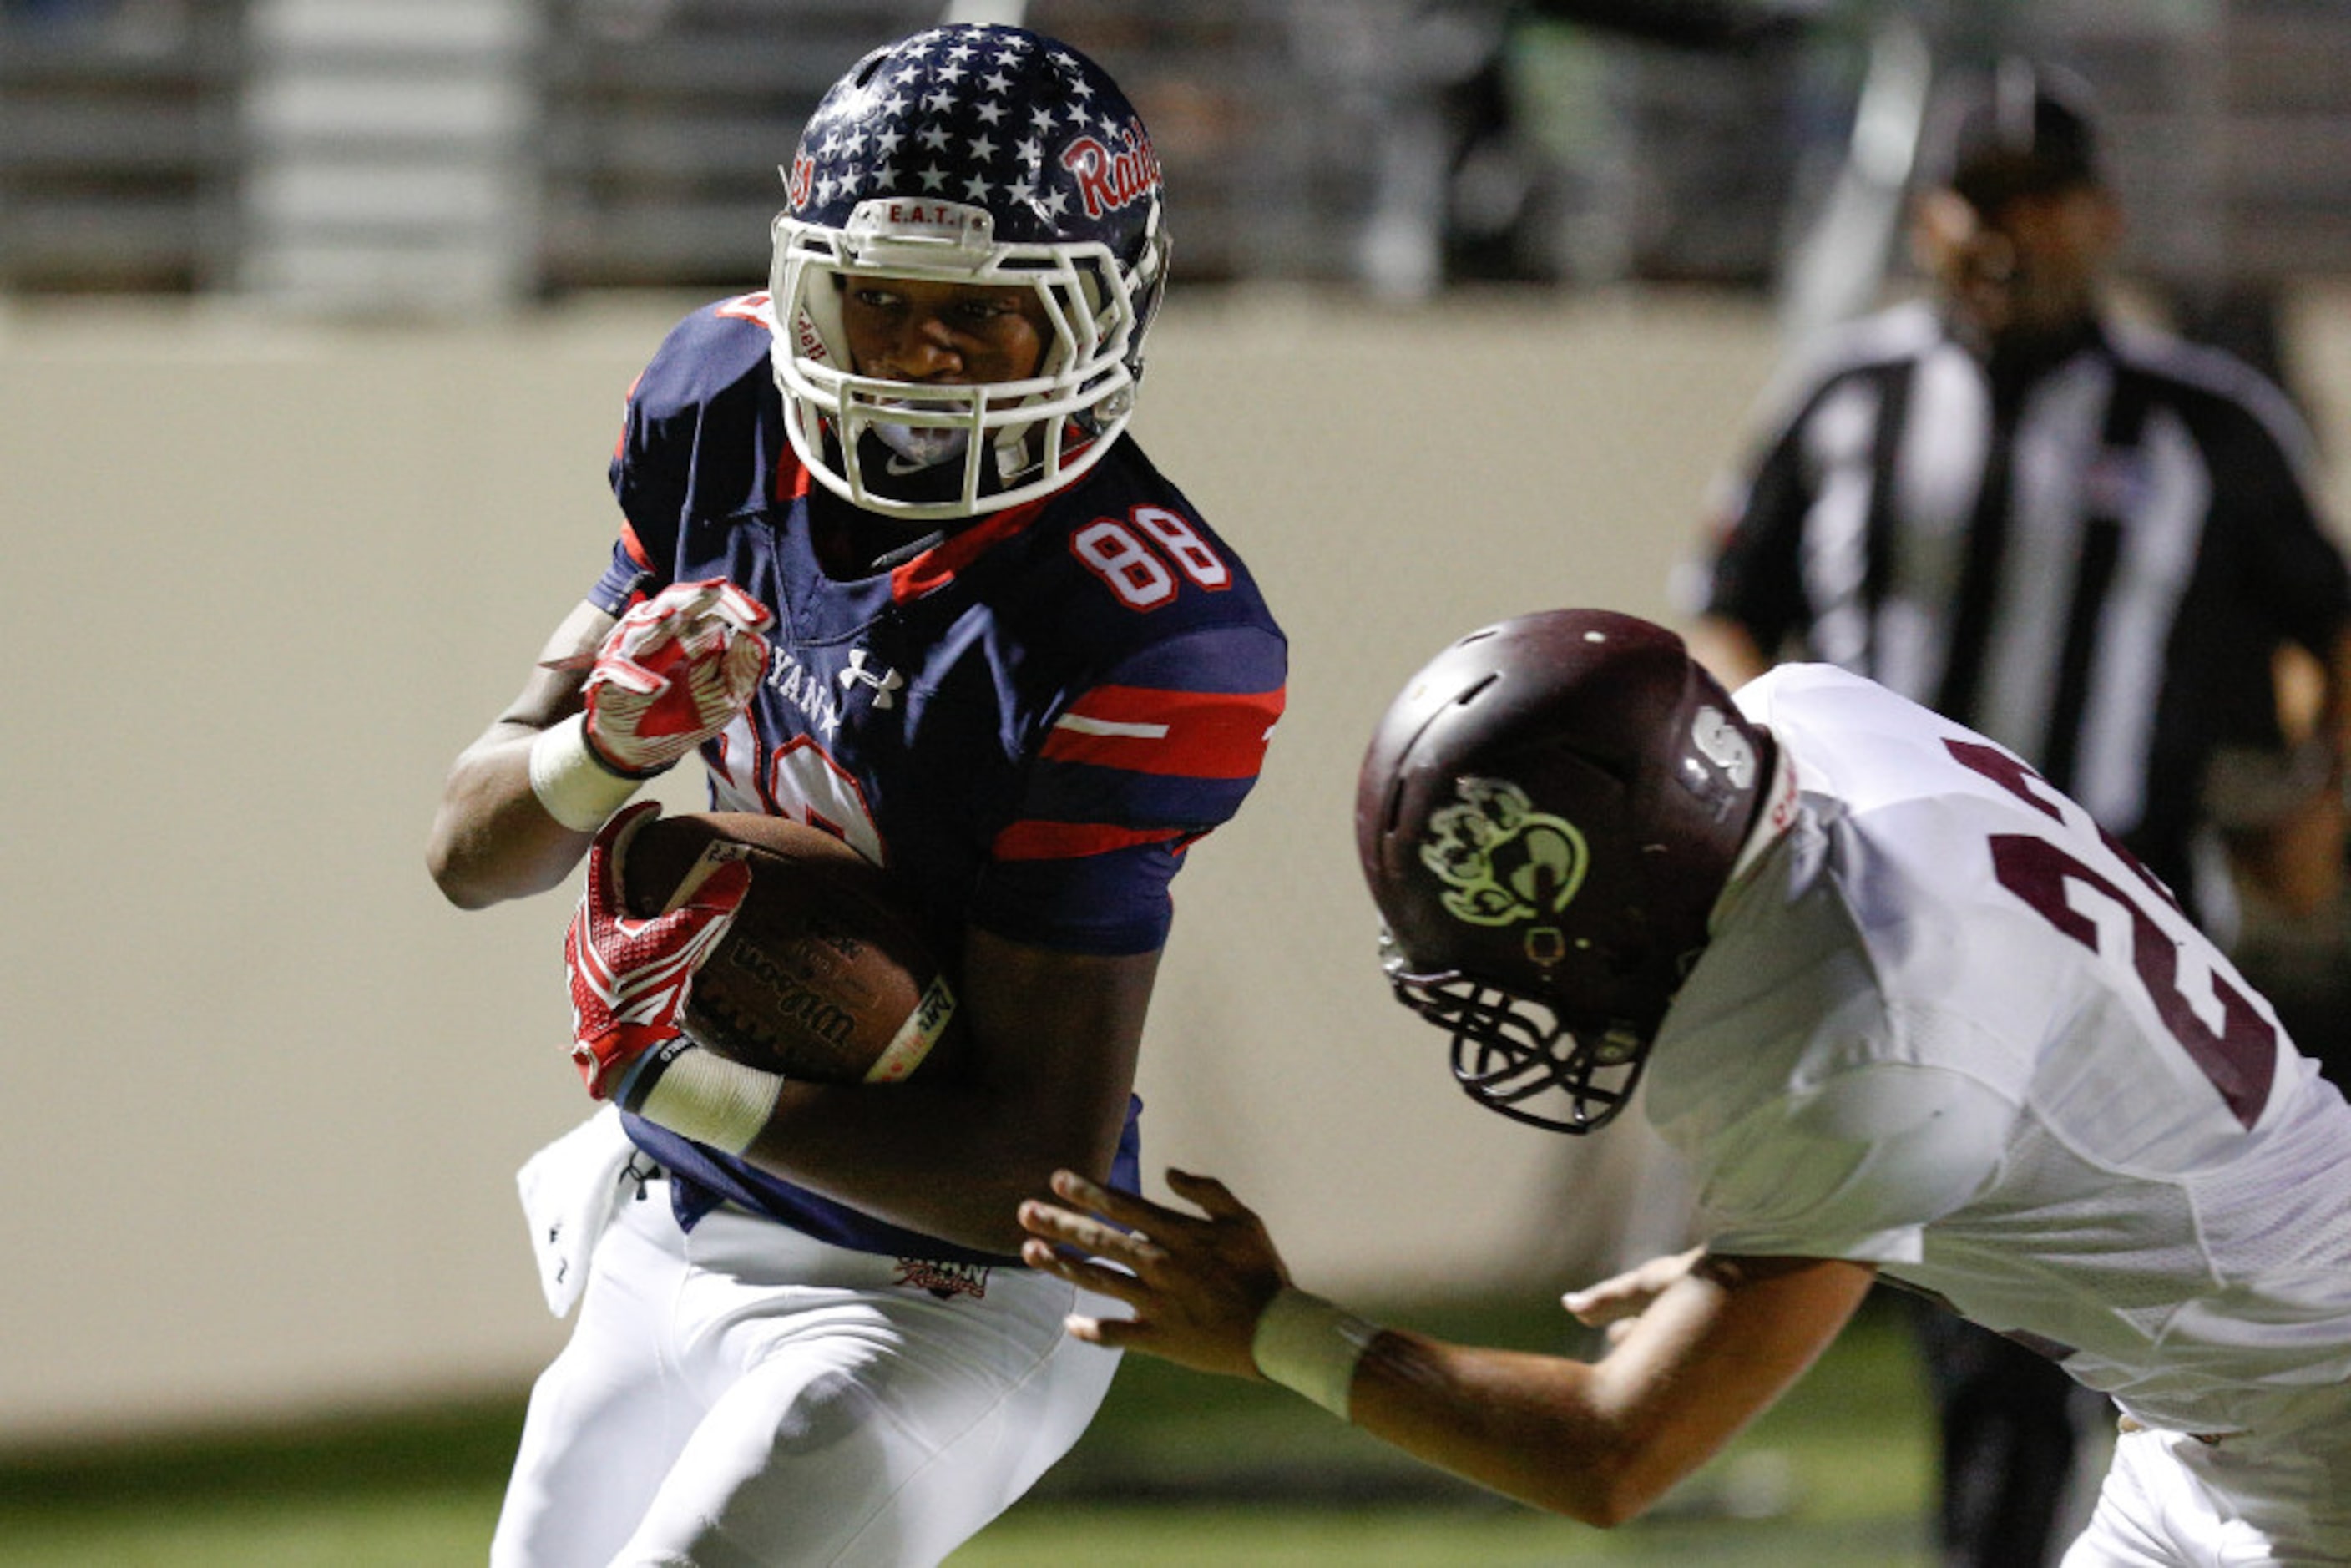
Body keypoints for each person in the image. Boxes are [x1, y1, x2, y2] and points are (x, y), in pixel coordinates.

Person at [424, 23, 1287, 1567]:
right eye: (877, 301)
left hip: (938, 1283)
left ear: (1103, 306)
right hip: (676, 1213)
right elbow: (469, 853)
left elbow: (1038, 1170)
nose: (917, 354)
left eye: (983, 316)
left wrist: (673, 1068)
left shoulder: (1147, 625)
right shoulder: (719, 401)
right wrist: (601, 747)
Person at [1019, 609, 2351, 1565]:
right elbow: (2029, 1080)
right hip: (2233, 1408)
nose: (1530, 1005)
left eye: (1521, 964)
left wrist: (1273, 1325)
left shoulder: (1849, 1043)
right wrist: (1816, 1220)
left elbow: (1612, 1453)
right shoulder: (1797, 721)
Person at [1681, 58, 2351, 1565]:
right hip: (1876, 936)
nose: (2005, 235)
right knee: (1987, 1323)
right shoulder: (1849, 395)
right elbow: (1726, 618)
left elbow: (2334, 617)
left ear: (2101, 217)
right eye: (1976, 201)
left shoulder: (2206, 417)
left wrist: (2319, 803)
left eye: (2037, 201)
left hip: (2118, 939)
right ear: (1927, 221)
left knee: (2028, 1344)